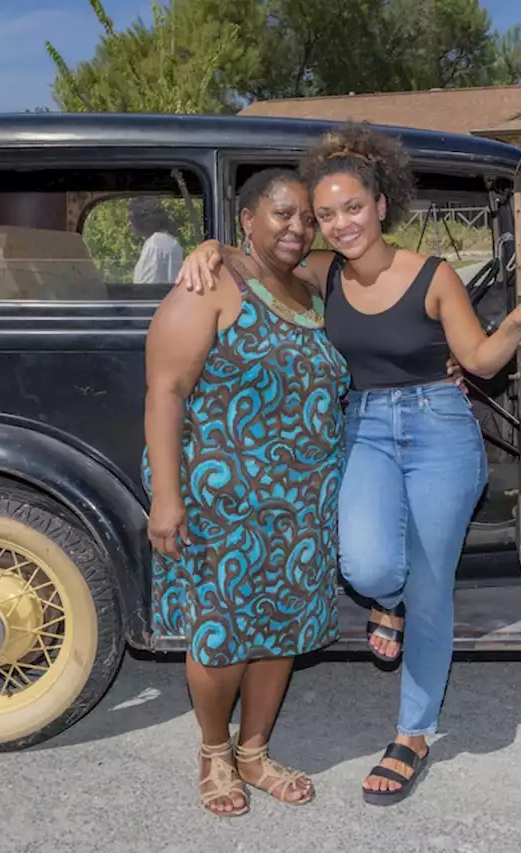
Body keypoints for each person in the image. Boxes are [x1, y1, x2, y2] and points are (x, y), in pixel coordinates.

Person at [176, 123, 521, 806]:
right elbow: (256, 259)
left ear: (380, 205)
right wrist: (208, 248)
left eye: (351, 207)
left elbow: (484, 361)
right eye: (324, 214)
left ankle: (413, 732)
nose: (338, 223)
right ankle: (388, 602)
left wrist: (520, 320)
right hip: (364, 427)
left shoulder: (433, 276)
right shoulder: (324, 271)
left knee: (433, 582)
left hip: (439, 428)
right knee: (368, 564)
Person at [141, 168, 345, 816]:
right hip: (223, 498)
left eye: (306, 218)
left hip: (302, 500)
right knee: (223, 634)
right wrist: (167, 498)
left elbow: (351, 250)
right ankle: (213, 749)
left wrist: (224, 245)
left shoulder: (310, 283)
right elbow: (165, 392)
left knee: (278, 629)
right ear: (248, 217)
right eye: (282, 215)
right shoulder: (208, 286)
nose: (298, 228)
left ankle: (254, 750)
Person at [129, 196, 184, 285]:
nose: (129, 225)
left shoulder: (154, 245)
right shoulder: (172, 242)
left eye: (131, 220)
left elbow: (145, 286)